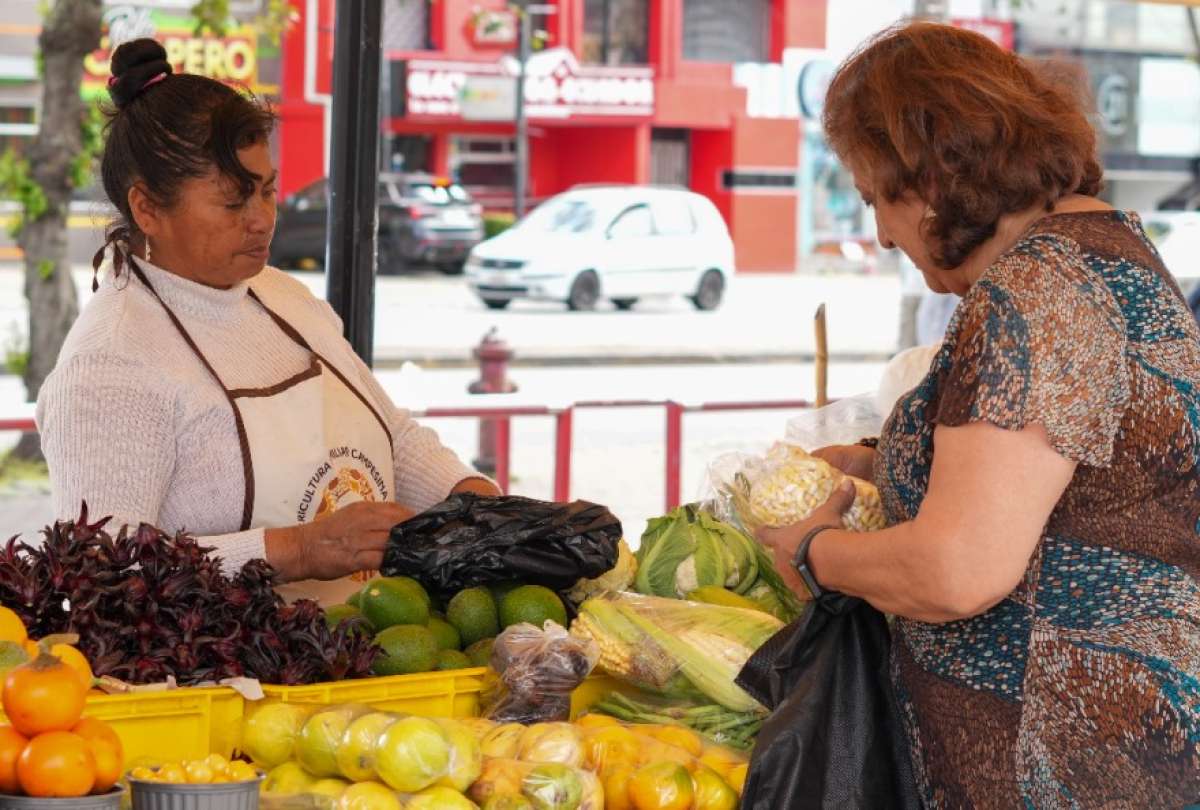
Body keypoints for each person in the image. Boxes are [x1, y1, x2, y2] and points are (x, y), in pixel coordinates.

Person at [758, 23, 1200, 807]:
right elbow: (1069, 474)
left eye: (874, 198)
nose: (881, 233)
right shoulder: (1105, 249)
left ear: (927, 177)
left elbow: (956, 571)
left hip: (1059, 763)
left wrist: (814, 554)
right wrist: (884, 460)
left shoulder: (1031, 297)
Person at [36, 39, 499, 603]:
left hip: (360, 651)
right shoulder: (109, 363)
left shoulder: (285, 297)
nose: (261, 221)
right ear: (147, 208)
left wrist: (479, 503)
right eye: (233, 203)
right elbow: (105, 572)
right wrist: (297, 550)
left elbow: (389, 435)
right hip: (218, 680)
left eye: (268, 191)